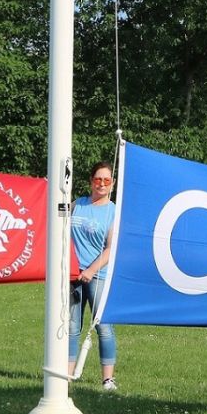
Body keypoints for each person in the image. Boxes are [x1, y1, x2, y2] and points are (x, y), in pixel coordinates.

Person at [67, 161, 118, 391]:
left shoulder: (114, 211)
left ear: (112, 184)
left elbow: (110, 248)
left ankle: (108, 380)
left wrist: (91, 270)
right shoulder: (78, 204)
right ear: (91, 181)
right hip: (72, 275)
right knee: (70, 326)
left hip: (98, 275)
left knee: (103, 327)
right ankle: (66, 377)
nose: (102, 184)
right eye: (98, 179)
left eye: (107, 181)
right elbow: (54, 221)